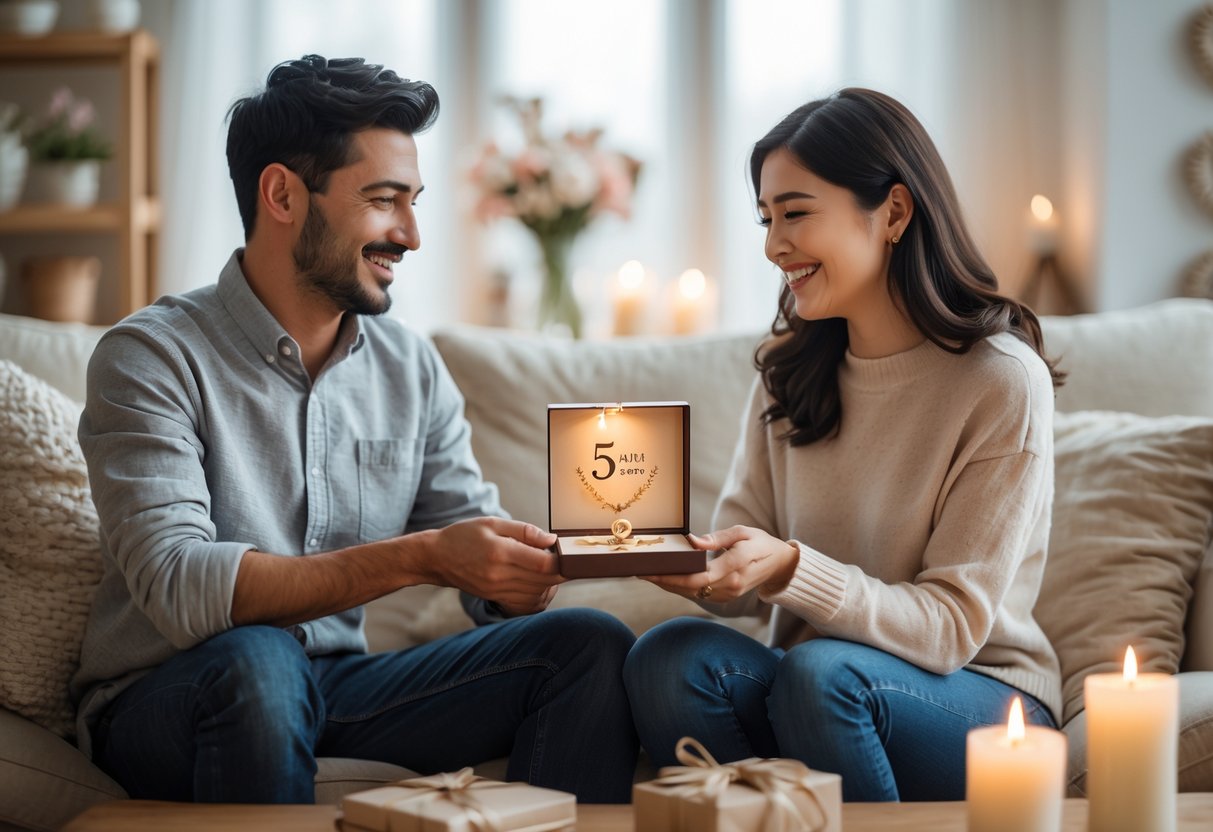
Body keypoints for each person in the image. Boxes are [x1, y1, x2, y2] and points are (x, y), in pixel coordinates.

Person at [70, 54, 638, 804]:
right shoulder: (150, 356)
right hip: (172, 691)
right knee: (260, 661)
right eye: (383, 201)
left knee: (588, 647)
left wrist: (526, 570)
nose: (410, 234)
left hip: (334, 683)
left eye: (414, 202)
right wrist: (427, 556)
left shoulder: (410, 366)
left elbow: (470, 547)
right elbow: (178, 586)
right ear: (282, 194)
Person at [623, 88, 1064, 802]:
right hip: (816, 688)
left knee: (820, 673)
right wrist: (700, 567)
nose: (773, 246)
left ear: (892, 212)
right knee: (667, 657)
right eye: (766, 219)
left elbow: (951, 628)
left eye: (795, 213)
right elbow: (749, 578)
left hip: (981, 699)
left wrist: (792, 568)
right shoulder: (788, 371)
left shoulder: (1001, 380)